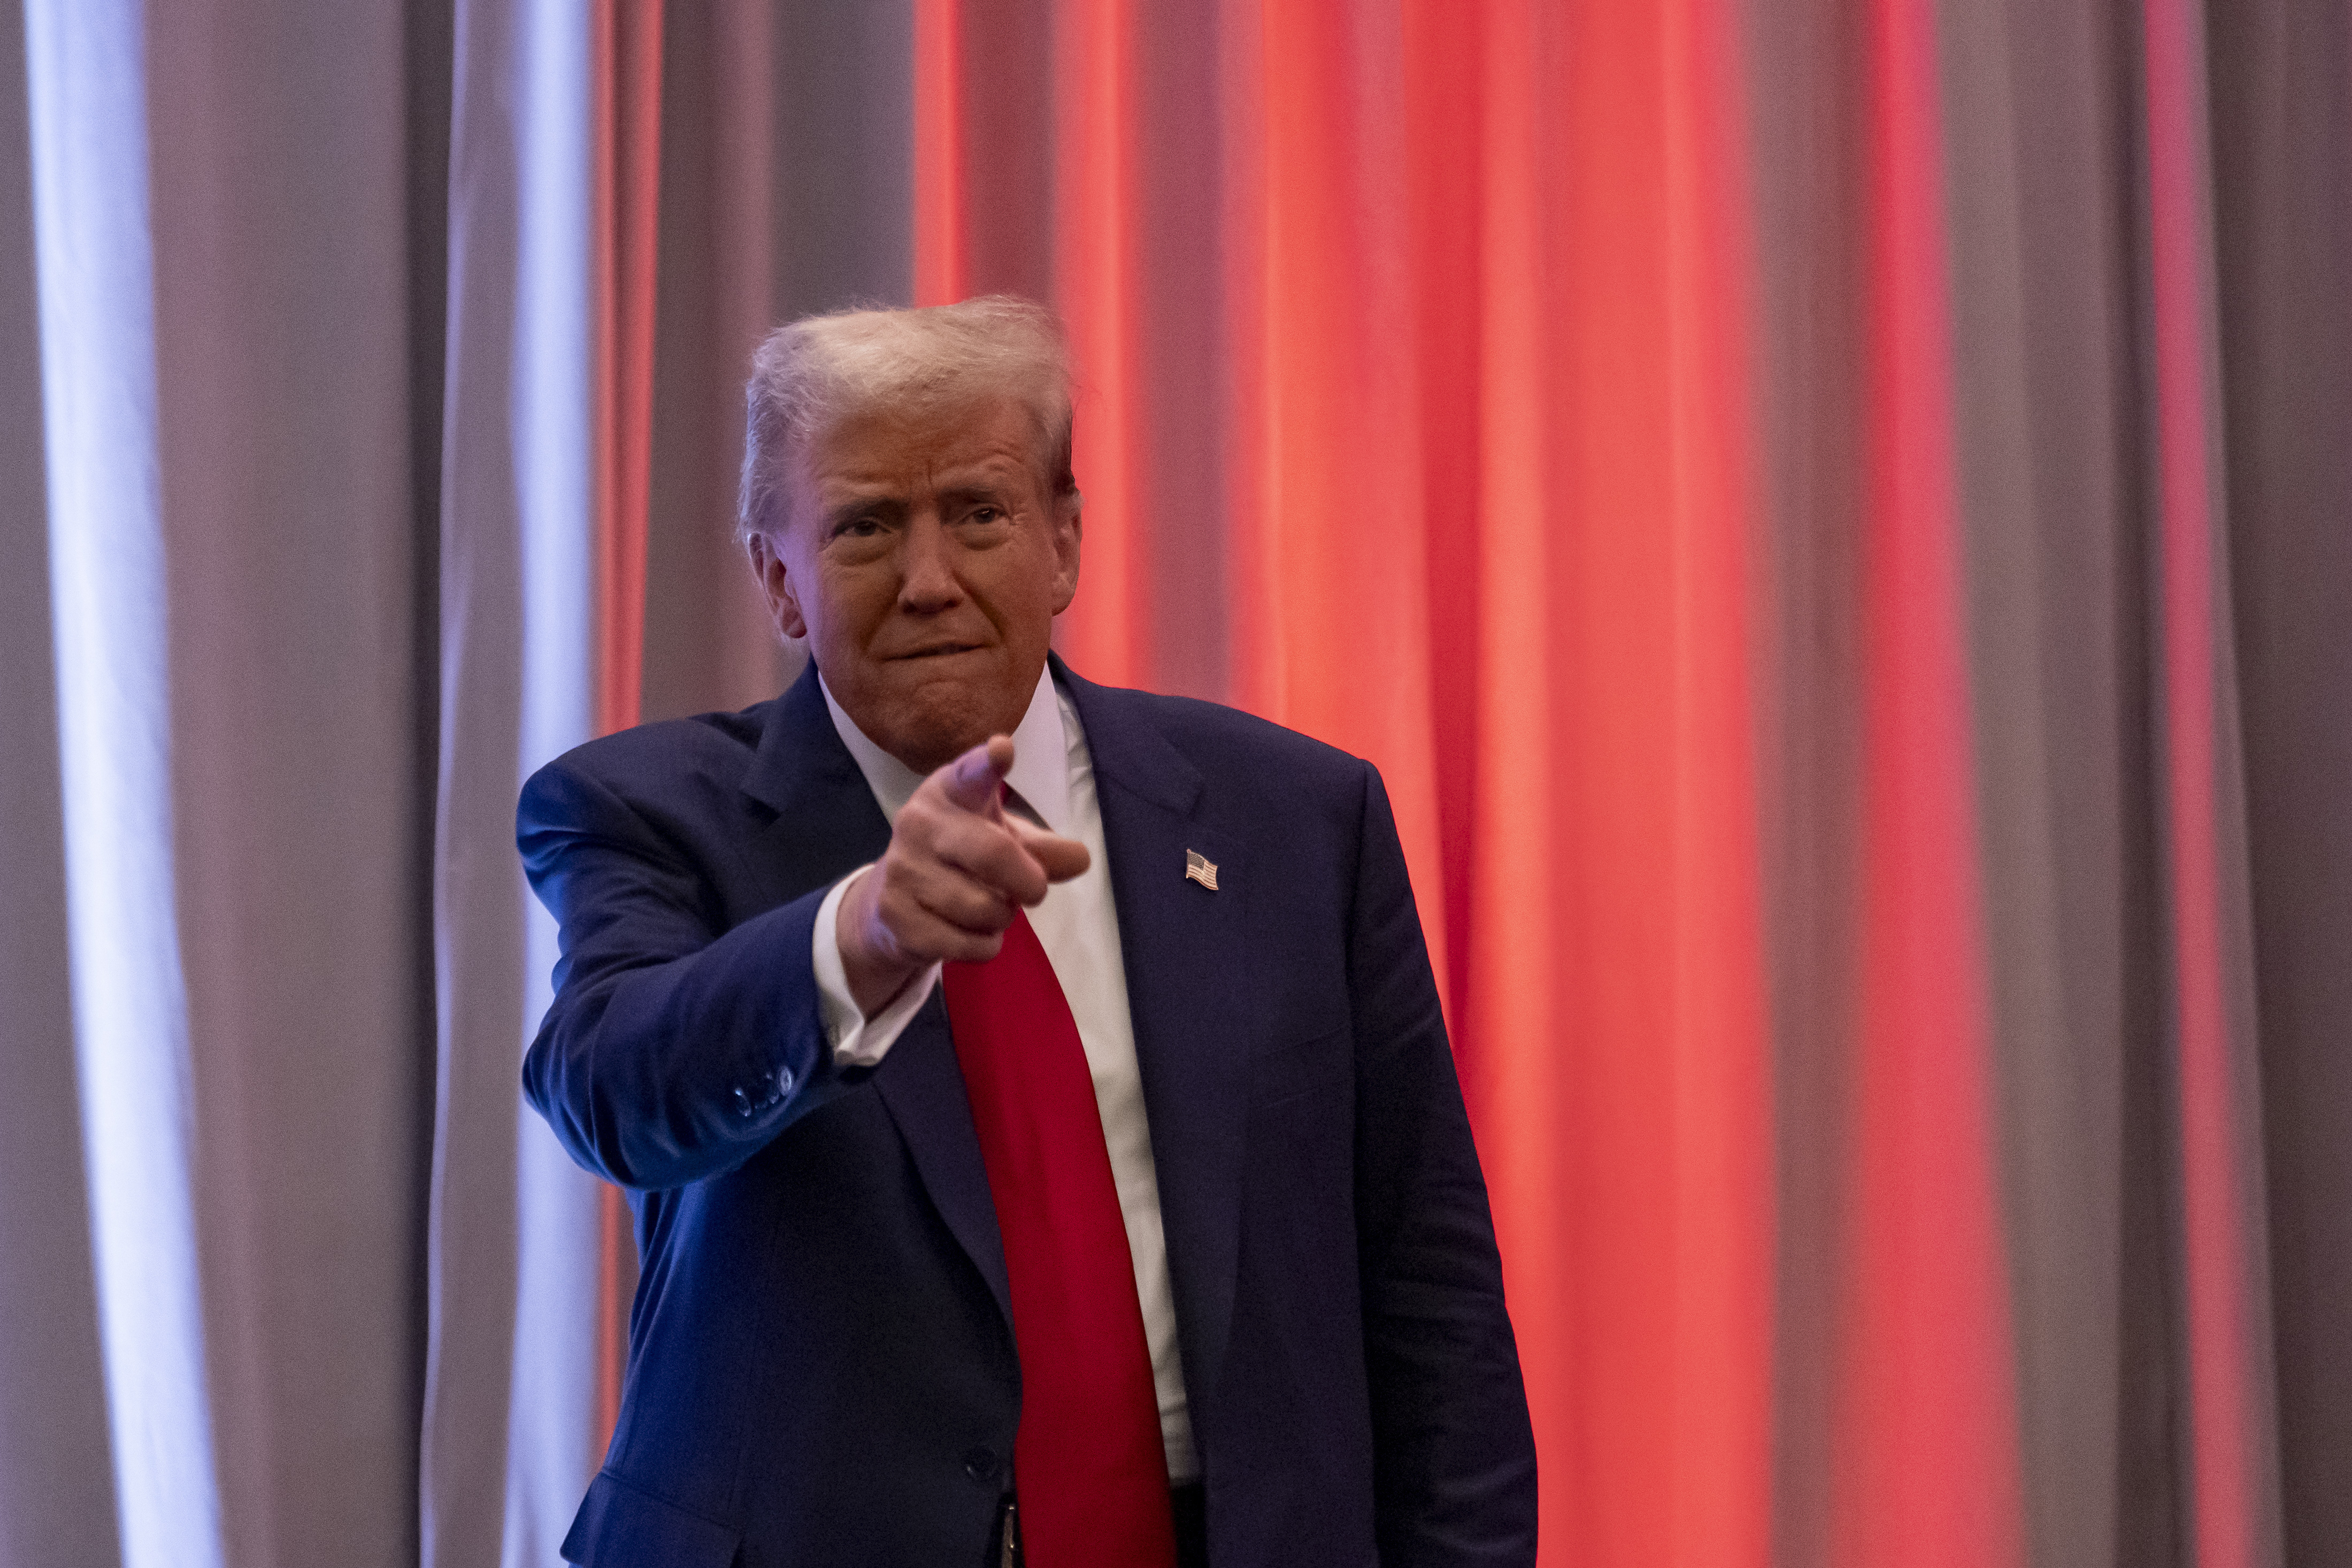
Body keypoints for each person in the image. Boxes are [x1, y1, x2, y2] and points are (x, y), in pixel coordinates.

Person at [519, 297, 1536, 1567]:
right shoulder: (644, 813)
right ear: (780, 581)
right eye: (865, 525)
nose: (929, 577)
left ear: (1064, 540)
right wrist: (861, 937)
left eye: (979, 513)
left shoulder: (1298, 822)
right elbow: (611, 1083)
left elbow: (1427, 1286)